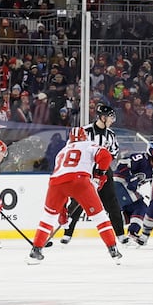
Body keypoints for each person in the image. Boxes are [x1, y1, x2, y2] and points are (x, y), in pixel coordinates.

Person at [28, 126, 123, 264]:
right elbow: (106, 156)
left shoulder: (61, 151)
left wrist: (63, 212)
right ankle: (112, 249)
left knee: (48, 217)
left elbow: (62, 176)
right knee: (99, 216)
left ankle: (36, 249)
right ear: (84, 136)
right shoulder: (89, 144)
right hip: (80, 181)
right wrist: (99, 175)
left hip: (55, 183)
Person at [60, 104, 127, 243]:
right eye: (110, 117)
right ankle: (67, 233)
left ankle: (120, 234)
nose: (112, 120)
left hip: (103, 171)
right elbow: (71, 148)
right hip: (85, 171)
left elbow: (113, 152)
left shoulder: (111, 135)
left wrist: (101, 169)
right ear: (102, 117)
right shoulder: (84, 131)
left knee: (112, 202)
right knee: (77, 202)